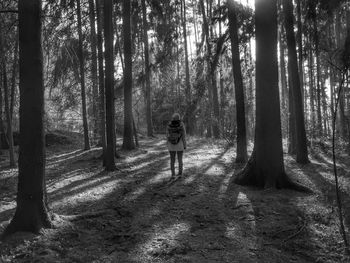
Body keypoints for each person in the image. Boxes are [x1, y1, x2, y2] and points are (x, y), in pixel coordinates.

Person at [166, 113, 187, 178]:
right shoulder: (181, 124)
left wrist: (167, 143)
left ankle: (173, 174)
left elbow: (167, 135)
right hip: (180, 145)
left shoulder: (169, 125)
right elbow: (184, 135)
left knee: (172, 160)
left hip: (171, 145)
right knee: (180, 160)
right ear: (179, 118)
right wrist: (185, 144)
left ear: (173, 118)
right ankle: (180, 174)